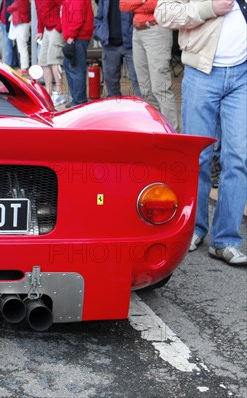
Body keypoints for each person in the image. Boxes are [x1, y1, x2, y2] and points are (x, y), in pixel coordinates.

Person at [155, 0, 247, 265]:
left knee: (239, 158)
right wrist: (209, 8)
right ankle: (193, 229)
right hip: (202, 73)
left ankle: (226, 240)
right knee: (199, 158)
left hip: (242, 75)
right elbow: (164, 12)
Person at [120, 0, 178, 131]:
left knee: (160, 88)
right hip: (137, 31)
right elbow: (123, 5)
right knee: (145, 89)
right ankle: (156, 129)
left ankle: (172, 133)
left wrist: (136, 4)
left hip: (157, 30)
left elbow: (160, 4)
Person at [93, 0, 141, 97]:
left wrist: (132, 33)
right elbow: (99, 16)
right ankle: (115, 110)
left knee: (138, 81)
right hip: (109, 45)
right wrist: (99, 32)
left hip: (130, 44)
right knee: (110, 83)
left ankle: (142, 110)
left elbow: (138, 15)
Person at [61, 0, 94, 107]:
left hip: (77, 37)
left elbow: (77, 18)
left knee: (75, 68)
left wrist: (70, 37)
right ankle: (77, 99)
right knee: (70, 66)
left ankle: (79, 101)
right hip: (76, 36)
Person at [36, 0, 65, 105]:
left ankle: (59, 93)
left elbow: (63, 8)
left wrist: (59, 27)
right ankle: (48, 93)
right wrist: (39, 30)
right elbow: (39, 12)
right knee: (43, 60)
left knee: (54, 59)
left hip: (56, 28)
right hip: (46, 29)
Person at [7, 0, 30, 74]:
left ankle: (24, 68)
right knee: (22, 48)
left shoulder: (20, 1)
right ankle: (23, 67)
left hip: (21, 25)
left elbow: (9, 8)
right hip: (22, 24)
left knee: (22, 48)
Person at [0, 0, 15, 67]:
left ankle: (8, 65)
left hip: (8, 24)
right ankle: (9, 62)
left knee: (8, 45)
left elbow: (11, 9)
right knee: (5, 45)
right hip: (3, 23)